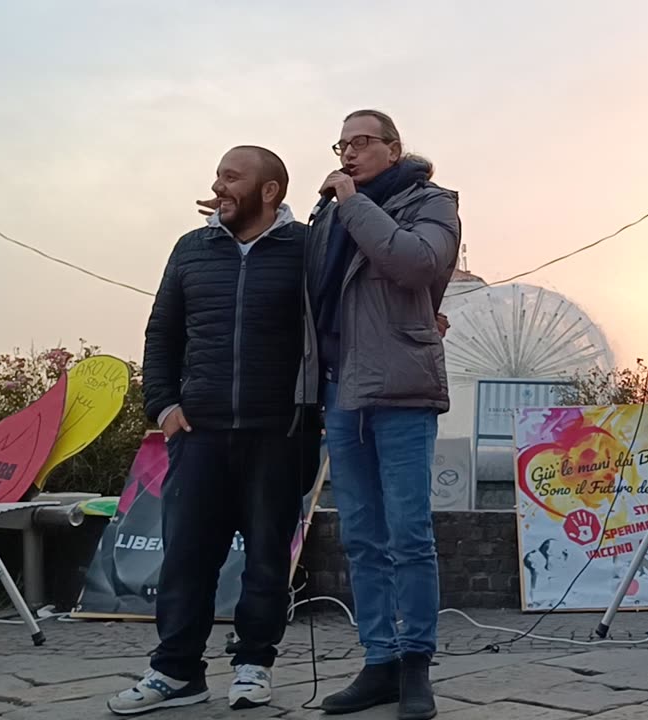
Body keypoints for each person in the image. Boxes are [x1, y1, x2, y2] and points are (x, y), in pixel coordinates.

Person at [109, 145, 308, 715]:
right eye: (218, 176)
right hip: (198, 433)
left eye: (230, 177)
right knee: (187, 557)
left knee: (269, 559)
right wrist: (163, 405)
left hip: (279, 433)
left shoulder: (306, 249)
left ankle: (253, 666)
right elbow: (162, 332)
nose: (218, 186)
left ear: (269, 191)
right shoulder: (191, 249)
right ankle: (175, 672)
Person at [306, 110, 460, 720]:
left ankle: (416, 666)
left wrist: (351, 202)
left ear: (393, 150)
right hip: (341, 390)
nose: (348, 152)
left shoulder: (432, 202)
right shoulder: (329, 213)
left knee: (409, 535)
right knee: (361, 537)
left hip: (400, 386)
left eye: (361, 142)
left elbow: (416, 263)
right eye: (341, 144)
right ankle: (379, 662)